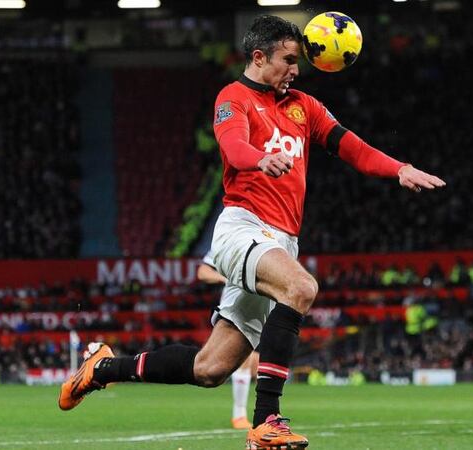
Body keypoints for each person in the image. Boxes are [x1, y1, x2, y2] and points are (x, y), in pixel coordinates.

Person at [59, 15, 445, 450]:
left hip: (280, 241)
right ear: (259, 57)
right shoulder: (234, 97)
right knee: (300, 287)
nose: (295, 70)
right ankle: (267, 422)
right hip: (241, 228)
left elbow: (350, 146)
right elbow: (233, 145)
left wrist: (400, 168)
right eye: (288, 60)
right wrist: (258, 159)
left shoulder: (305, 106)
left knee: (210, 369)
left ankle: (104, 368)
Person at [196, 251, 260, 430]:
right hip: (235, 309)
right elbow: (203, 272)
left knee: (251, 361)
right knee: (243, 359)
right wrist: (227, 279)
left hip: (259, 308)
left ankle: (252, 414)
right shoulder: (227, 242)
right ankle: (239, 415)